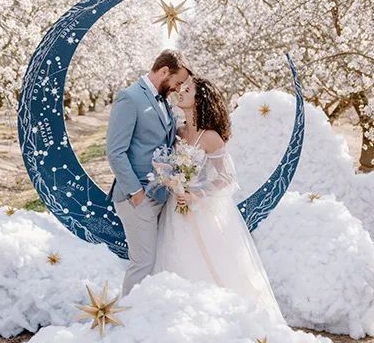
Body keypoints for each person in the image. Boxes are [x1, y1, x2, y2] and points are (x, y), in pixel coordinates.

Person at [153, 76, 286, 325]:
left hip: (200, 209)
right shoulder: (178, 131)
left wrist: (195, 193)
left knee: (209, 261)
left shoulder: (210, 136)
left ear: (199, 99)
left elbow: (226, 177)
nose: (180, 92)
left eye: (187, 89)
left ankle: (218, 318)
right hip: (175, 207)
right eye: (181, 88)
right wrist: (171, 180)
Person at [106, 49, 192, 297]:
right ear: (164, 71)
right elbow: (115, 152)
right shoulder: (129, 98)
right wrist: (136, 192)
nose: (178, 89)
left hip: (160, 194)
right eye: (177, 82)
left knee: (155, 262)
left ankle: (144, 316)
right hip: (137, 197)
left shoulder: (163, 100)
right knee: (142, 262)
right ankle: (128, 320)